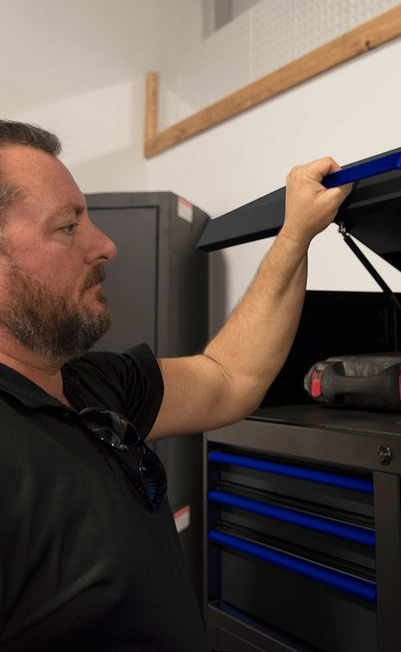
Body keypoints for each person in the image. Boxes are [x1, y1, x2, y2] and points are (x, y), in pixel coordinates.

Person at [0, 118, 352, 651]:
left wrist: (295, 234)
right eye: (68, 226)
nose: (105, 245)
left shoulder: (91, 386)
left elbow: (228, 377)